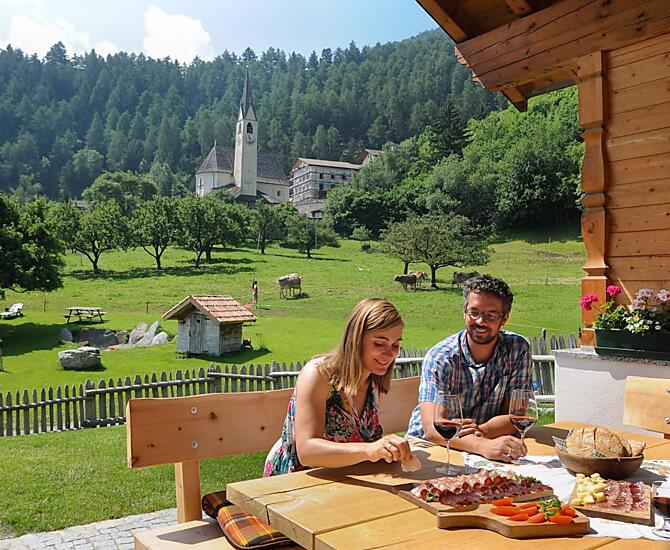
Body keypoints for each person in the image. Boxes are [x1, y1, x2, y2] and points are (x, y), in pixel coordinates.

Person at [264, 298, 412, 476]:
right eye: (379, 343)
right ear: (356, 339)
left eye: (396, 344)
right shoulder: (318, 374)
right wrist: (369, 450)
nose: (390, 353)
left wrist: (386, 449)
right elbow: (306, 452)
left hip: (341, 475)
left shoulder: (374, 382)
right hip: (292, 479)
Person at [406, 274, 532, 462]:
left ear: (504, 317)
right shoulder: (441, 357)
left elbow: (515, 417)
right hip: (428, 448)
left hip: (482, 446)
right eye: (474, 312)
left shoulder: (517, 349)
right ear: (464, 311)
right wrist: (481, 445)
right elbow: (432, 429)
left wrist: (480, 432)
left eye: (490, 315)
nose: (480, 321)